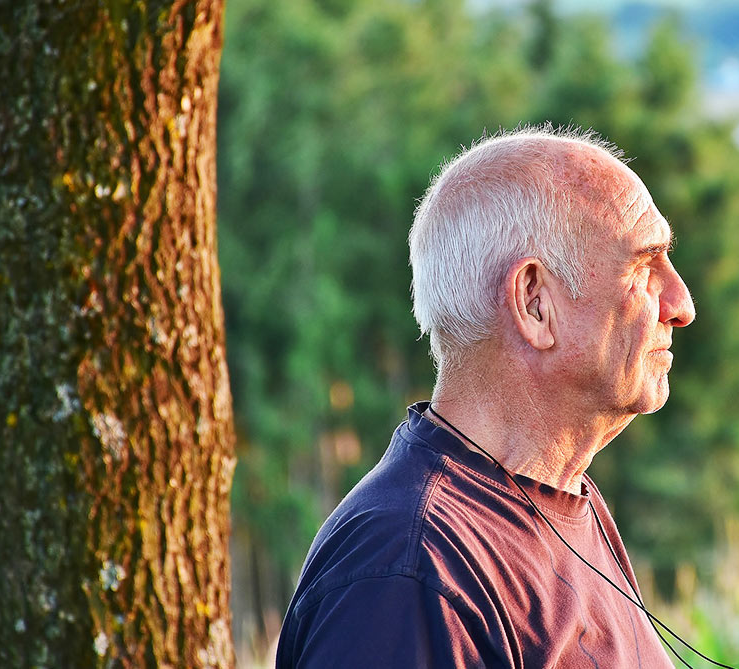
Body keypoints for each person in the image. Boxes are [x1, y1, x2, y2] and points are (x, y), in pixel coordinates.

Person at [276, 126, 695, 668]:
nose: (681, 303)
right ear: (533, 303)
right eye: (643, 265)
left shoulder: (562, 500)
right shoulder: (409, 572)